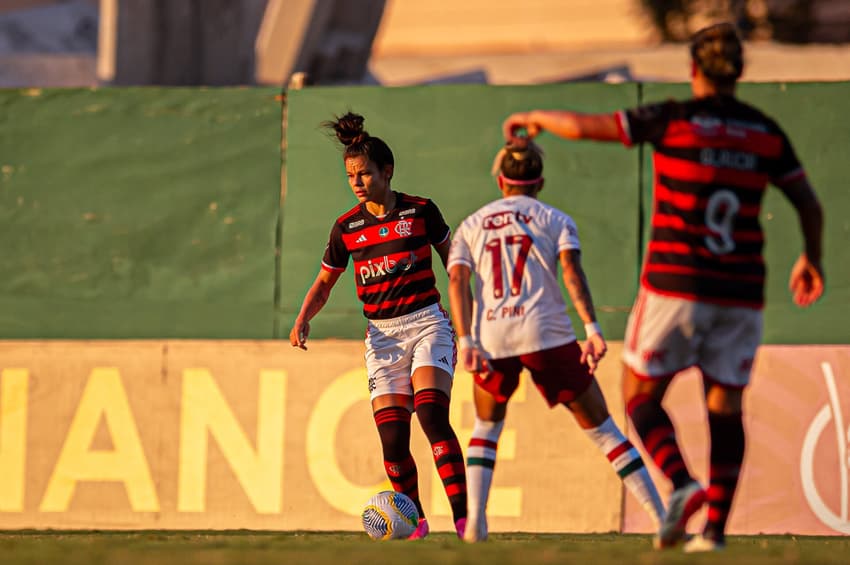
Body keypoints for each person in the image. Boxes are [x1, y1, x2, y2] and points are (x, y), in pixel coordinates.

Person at [501, 22, 824, 552]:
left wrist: (537, 118)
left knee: (638, 396)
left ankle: (682, 482)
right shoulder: (765, 130)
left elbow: (591, 127)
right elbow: (808, 202)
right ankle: (714, 531)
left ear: (693, 68)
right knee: (725, 406)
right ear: (740, 72)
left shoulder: (674, 118)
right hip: (741, 290)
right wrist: (811, 257)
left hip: (676, 283)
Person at [447, 141, 665, 543]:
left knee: (486, 426)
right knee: (604, 431)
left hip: (493, 335)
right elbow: (572, 274)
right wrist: (592, 328)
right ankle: (662, 519)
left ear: (500, 181)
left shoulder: (472, 224)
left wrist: (466, 339)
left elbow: (458, 281)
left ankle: (475, 522)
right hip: (546, 332)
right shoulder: (556, 219)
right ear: (539, 182)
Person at [289, 112, 467, 540]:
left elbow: (454, 261)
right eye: (351, 175)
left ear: (387, 172)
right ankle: (417, 523)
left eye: (364, 173)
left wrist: (467, 313)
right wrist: (303, 317)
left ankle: (465, 522)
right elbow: (325, 282)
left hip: (427, 325)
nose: (357, 181)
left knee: (431, 414)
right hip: (382, 337)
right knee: (392, 440)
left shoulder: (421, 211)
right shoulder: (346, 228)